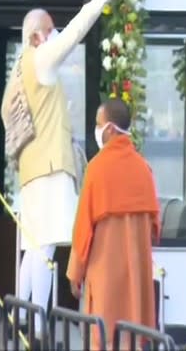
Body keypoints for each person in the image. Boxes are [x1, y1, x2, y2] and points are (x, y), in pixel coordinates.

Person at [0, 0, 122, 329]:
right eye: (50, 29)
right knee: (46, 247)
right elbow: (74, 33)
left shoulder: (17, 72)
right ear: (37, 35)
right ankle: (37, 326)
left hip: (30, 172)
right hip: (52, 167)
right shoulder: (41, 58)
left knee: (32, 249)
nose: (54, 33)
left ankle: (17, 317)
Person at [67, 99, 160, 351]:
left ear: (109, 129)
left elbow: (83, 226)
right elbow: (154, 228)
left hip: (104, 274)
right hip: (136, 278)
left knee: (104, 338)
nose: (96, 130)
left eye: (98, 125)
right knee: (132, 338)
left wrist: (75, 272)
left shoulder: (97, 168)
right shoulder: (144, 169)